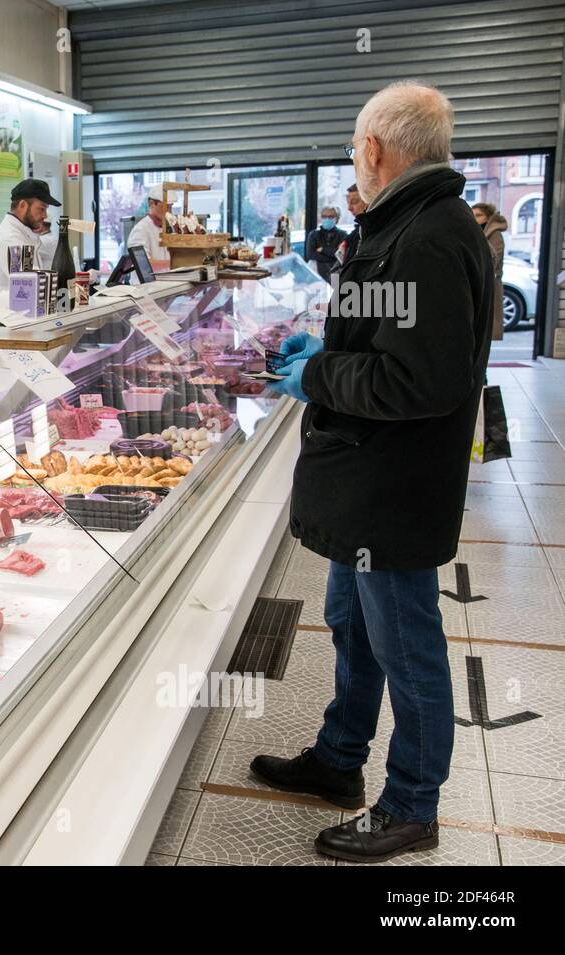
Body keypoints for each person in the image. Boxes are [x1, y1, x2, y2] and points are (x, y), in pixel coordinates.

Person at [258, 81, 494, 862]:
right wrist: (325, 357)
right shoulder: (405, 224)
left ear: (373, 149)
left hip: (392, 489)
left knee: (407, 649)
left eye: (355, 147)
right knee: (355, 632)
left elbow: (420, 382)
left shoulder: (427, 235)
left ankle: (412, 804)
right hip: (363, 484)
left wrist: (318, 375)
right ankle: (338, 759)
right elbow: (388, 348)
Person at [0, 178, 59, 309]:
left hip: (20, 318)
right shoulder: (11, 239)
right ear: (23, 205)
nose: (44, 215)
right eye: (41, 209)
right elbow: (29, 283)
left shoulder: (23, 233)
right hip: (7, 322)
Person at [472, 201, 507, 341]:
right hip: (484, 282)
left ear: (488, 217)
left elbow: (493, 260)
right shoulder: (481, 232)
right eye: (472, 215)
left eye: (478, 215)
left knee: (486, 325)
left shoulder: (494, 234)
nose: (475, 219)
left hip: (490, 283)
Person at [127, 184, 173, 272]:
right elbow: (143, 264)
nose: (169, 211)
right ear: (151, 204)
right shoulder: (141, 230)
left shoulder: (168, 228)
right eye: (165, 206)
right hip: (145, 285)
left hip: (165, 283)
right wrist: (174, 263)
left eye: (170, 206)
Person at [304, 206, 348, 280]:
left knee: (335, 290)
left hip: (337, 272)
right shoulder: (314, 235)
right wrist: (332, 255)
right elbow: (310, 255)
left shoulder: (343, 235)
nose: (327, 219)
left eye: (330, 217)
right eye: (324, 216)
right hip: (316, 272)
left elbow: (341, 255)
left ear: (337, 219)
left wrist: (323, 250)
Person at [334, 184, 367, 270]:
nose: (349, 208)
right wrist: (334, 283)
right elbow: (338, 268)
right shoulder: (354, 235)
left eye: (355, 202)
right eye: (348, 203)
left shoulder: (373, 234)